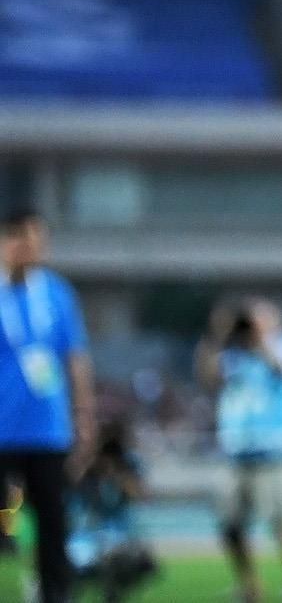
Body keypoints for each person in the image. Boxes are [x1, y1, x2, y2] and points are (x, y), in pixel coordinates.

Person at [0, 209, 94, 603]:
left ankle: (54, 594)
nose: (31, 247)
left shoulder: (56, 293)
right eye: (22, 237)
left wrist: (84, 420)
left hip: (47, 429)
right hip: (2, 426)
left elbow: (76, 360)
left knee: (53, 524)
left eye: (38, 239)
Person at [195, 299, 282, 603]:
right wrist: (215, 335)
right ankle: (249, 587)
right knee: (231, 525)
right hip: (237, 451)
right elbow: (206, 379)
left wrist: (260, 340)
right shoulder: (231, 355)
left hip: (277, 452)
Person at [68, 418, 158, 602]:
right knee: (74, 567)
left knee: (138, 561)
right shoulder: (86, 463)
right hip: (86, 537)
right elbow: (70, 484)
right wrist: (90, 464)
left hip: (119, 537)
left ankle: (113, 595)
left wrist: (118, 473)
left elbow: (140, 495)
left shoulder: (129, 463)